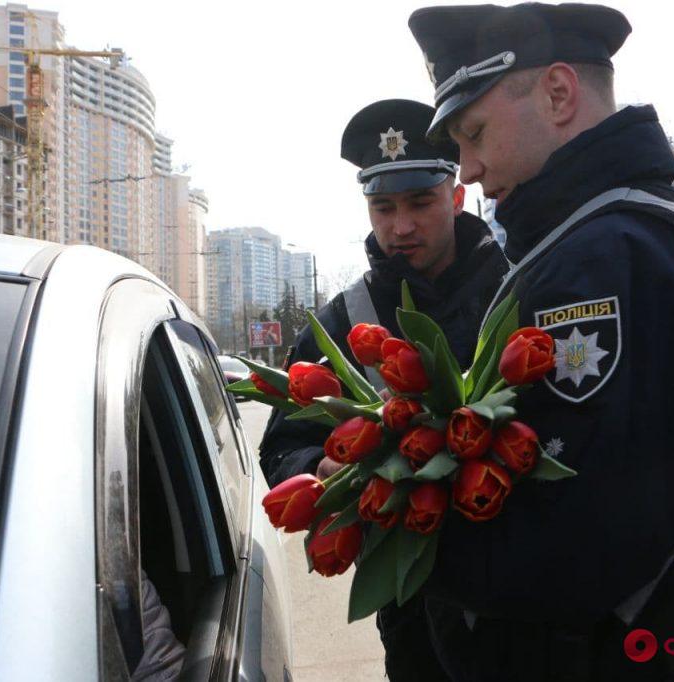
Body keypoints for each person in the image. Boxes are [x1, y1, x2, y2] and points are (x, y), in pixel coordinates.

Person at [408, 3, 674, 680]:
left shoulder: (609, 256)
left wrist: (405, 533)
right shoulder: (610, 236)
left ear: (559, 93)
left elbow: (579, 544)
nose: (468, 169)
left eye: (473, 133)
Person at [257, 98, 508, 681]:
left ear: (456, 196)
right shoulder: (345, 319)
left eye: (420, 203)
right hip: (410, 601)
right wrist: (323, 467)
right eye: (382, 207)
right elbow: (282, 443)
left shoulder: (518, 285)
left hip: (525, 589)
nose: (400, 227)